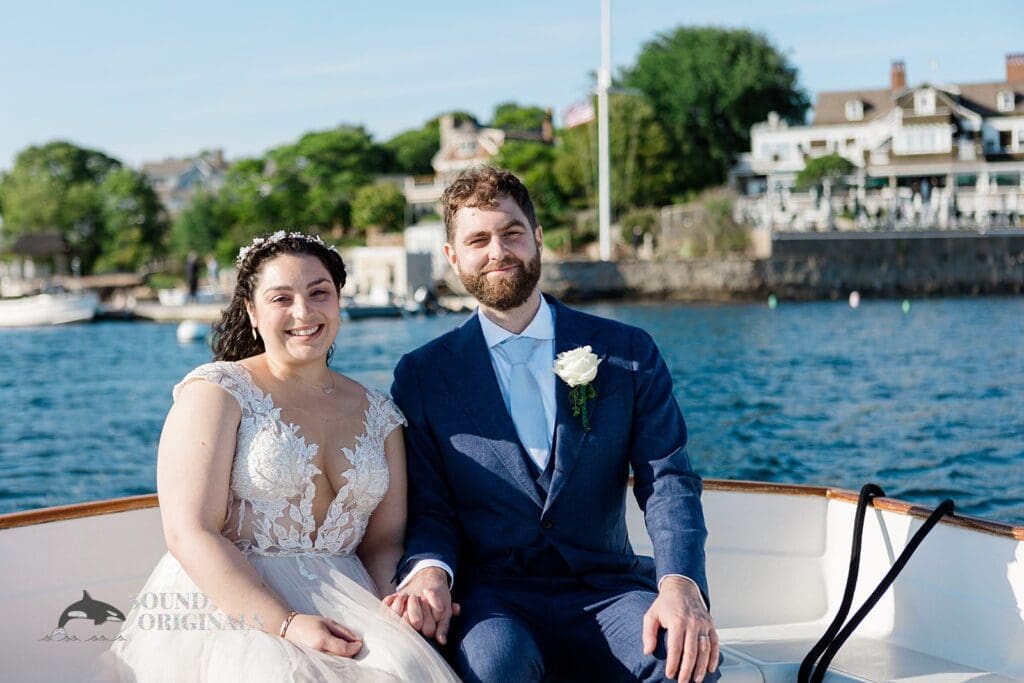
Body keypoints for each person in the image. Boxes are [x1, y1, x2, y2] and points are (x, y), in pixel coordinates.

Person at [388, 166, 721, 683]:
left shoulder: (627, 351)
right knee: (492, 669)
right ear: (453, 257)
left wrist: (680, 583)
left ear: (538, 238)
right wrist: (431, 570)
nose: (498, 251)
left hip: (608, 591)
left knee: (679, 660)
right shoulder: (423, 375)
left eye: (512, 233)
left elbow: (667, 479)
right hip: (493, 600)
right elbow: (431, 509)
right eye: (478, 240)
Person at [103, 231, 458, 682]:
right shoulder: (217, 392)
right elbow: (189, 531)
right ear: (252, 311)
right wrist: (286, 624)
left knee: (404, 667)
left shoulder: (381, 414)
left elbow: (382, 543)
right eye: (281, 298)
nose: (303, 312)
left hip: (350, 601)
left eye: (319, 293)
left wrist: (404, 606)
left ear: (338, 301)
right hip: (235, 608)